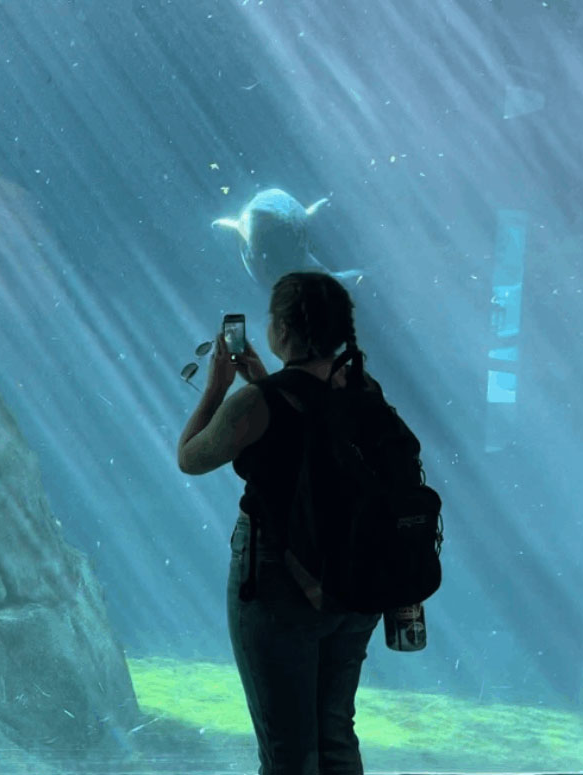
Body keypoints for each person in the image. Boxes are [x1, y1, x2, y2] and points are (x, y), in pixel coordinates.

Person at [176, 271, 381, 775]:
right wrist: (266, 380)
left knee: (286, 746)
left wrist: (218, 388)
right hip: (356, 578)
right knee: (334, 731)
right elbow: (310, 424)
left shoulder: (256, 404)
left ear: (283, 330)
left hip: (279, 581)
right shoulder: (361, 386)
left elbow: (190, 458)